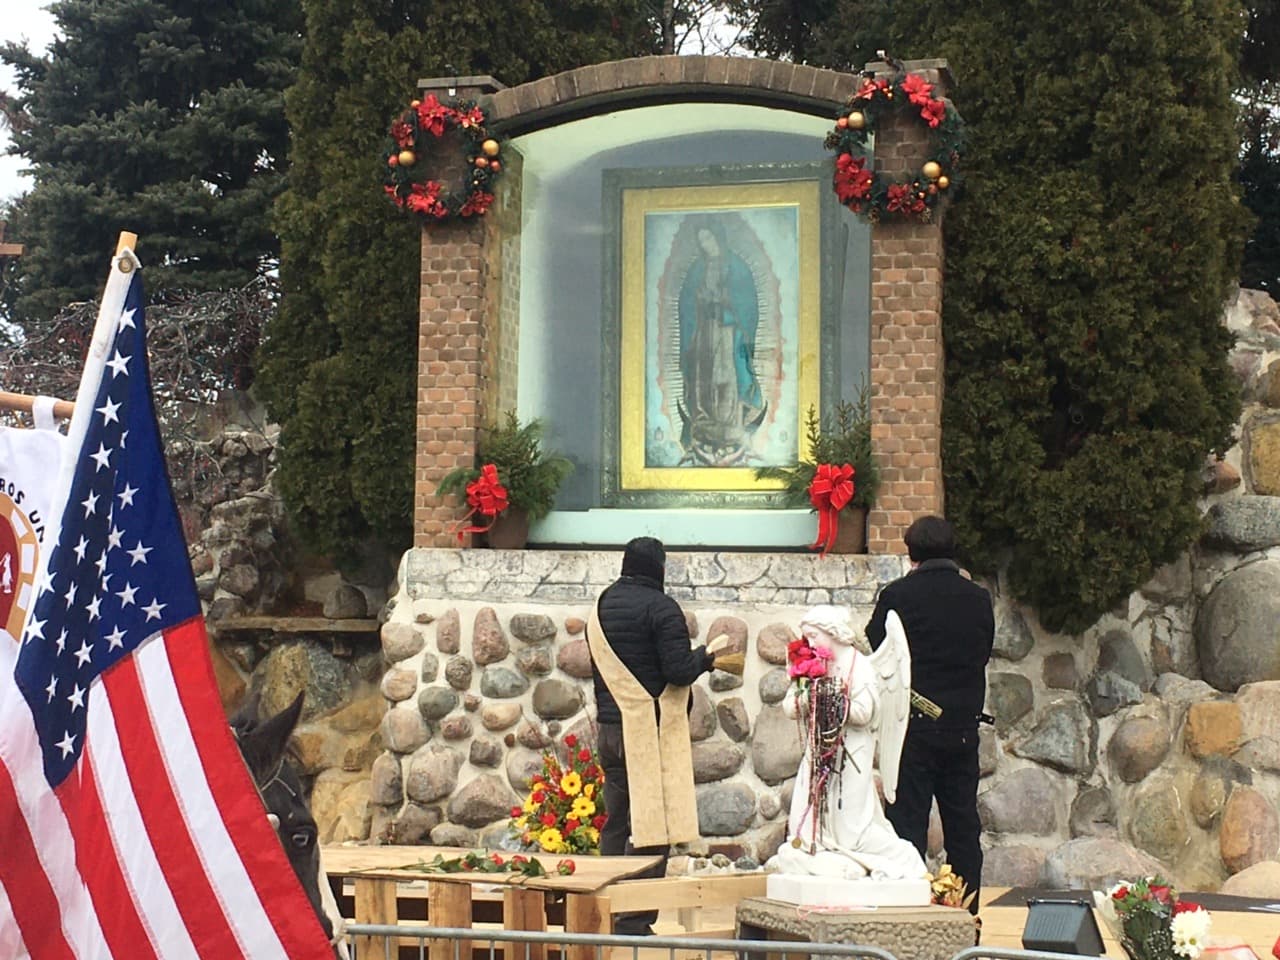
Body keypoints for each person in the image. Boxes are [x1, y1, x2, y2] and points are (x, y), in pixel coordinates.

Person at [865, 515, 994, 914]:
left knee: (907, 827)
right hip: (963, 727)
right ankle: (966, 918)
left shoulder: (898, 595)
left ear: (911, 554)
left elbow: (876, 645)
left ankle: (910, 918)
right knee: (963, 829)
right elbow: (983, 650)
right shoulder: (978, 598)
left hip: (913, 728)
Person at [586, 536, 715, 935]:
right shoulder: (662, 608)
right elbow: (678, 670)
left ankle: (605, 912)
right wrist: (705, 659)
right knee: (651, 827)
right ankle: (634, 922)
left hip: (610, 729)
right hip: (647, 733)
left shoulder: (601, 606)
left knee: (616, 823)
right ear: (659, 568)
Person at [768, 605, 926, 883]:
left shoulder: (860, 665)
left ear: (832, 633)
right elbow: (790, 707)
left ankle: (899, 858)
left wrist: (832, 702)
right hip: (818, 751)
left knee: (852, 828)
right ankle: (819, 852)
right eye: (806, 637)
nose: (809, 643)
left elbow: (865, 713)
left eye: (814, 636)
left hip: (853, 752)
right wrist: (809, 694)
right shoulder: (811, 664)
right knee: (803, 824)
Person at [676, 219, 762, 456]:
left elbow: (747, 303)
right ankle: (703, 419)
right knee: (704, 374)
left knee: (726, 374)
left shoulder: (737, 267)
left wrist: (726, 301)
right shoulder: (696, 270)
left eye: (708, 238)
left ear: (718, 237)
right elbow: (685, 304)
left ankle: (729, 422)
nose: (705, 244)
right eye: (701, 240)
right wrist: (699, 300)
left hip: (728, 329)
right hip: (704, 329)